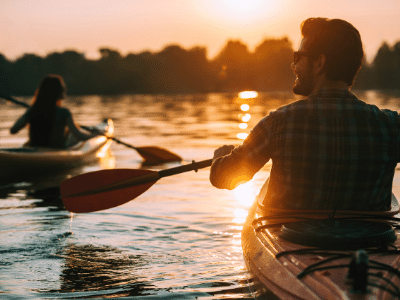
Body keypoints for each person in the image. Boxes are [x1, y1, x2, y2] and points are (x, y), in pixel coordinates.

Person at [210, 17, 400, 212]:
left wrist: (220, 158)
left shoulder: (278, 123)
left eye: (297, 57)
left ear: (319, 63)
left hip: (296, 238)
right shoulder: (392, 126)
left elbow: (223, 178)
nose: (294, 66)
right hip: (372, 240)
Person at [10, 74, 100, 148]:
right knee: (72, 135)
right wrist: (96, 135)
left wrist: (31, 111)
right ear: (59, 91)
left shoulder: (33, 111)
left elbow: (13, 130)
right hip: (56, 151)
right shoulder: (64, 113)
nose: (65, 89)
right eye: (62, 87)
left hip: (34, 150)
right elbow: (80, 136)